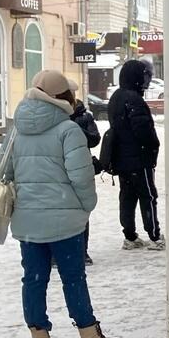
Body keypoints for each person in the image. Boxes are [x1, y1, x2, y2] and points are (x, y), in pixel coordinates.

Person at [2, 71, 125, 338]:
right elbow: (81, 177)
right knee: (73, 277)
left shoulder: (16, 129)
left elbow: (4, 171)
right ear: (64, 97)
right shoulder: (68, 130)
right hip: (65, 220)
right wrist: (86, 207)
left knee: (33, 279)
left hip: (28, 221)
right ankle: (89, 336)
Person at [107, 58, 163, 250]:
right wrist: (153, 145)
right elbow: (143, 131)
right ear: (137, 78)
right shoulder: (134, 99)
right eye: (145, 76)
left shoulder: (116, 97)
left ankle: (130, 236)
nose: (147, 81)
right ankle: (155, 236)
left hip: (122, 159)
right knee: (148, 196)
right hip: (139, 158)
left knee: (127, 198)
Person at [68, 95, 101, 266]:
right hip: (64, 168)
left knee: (82, 210)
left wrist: (77, 131)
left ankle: (82, 251)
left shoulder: (84, 116)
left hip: (81, 165)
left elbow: (95, 139)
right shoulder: (57, 118)